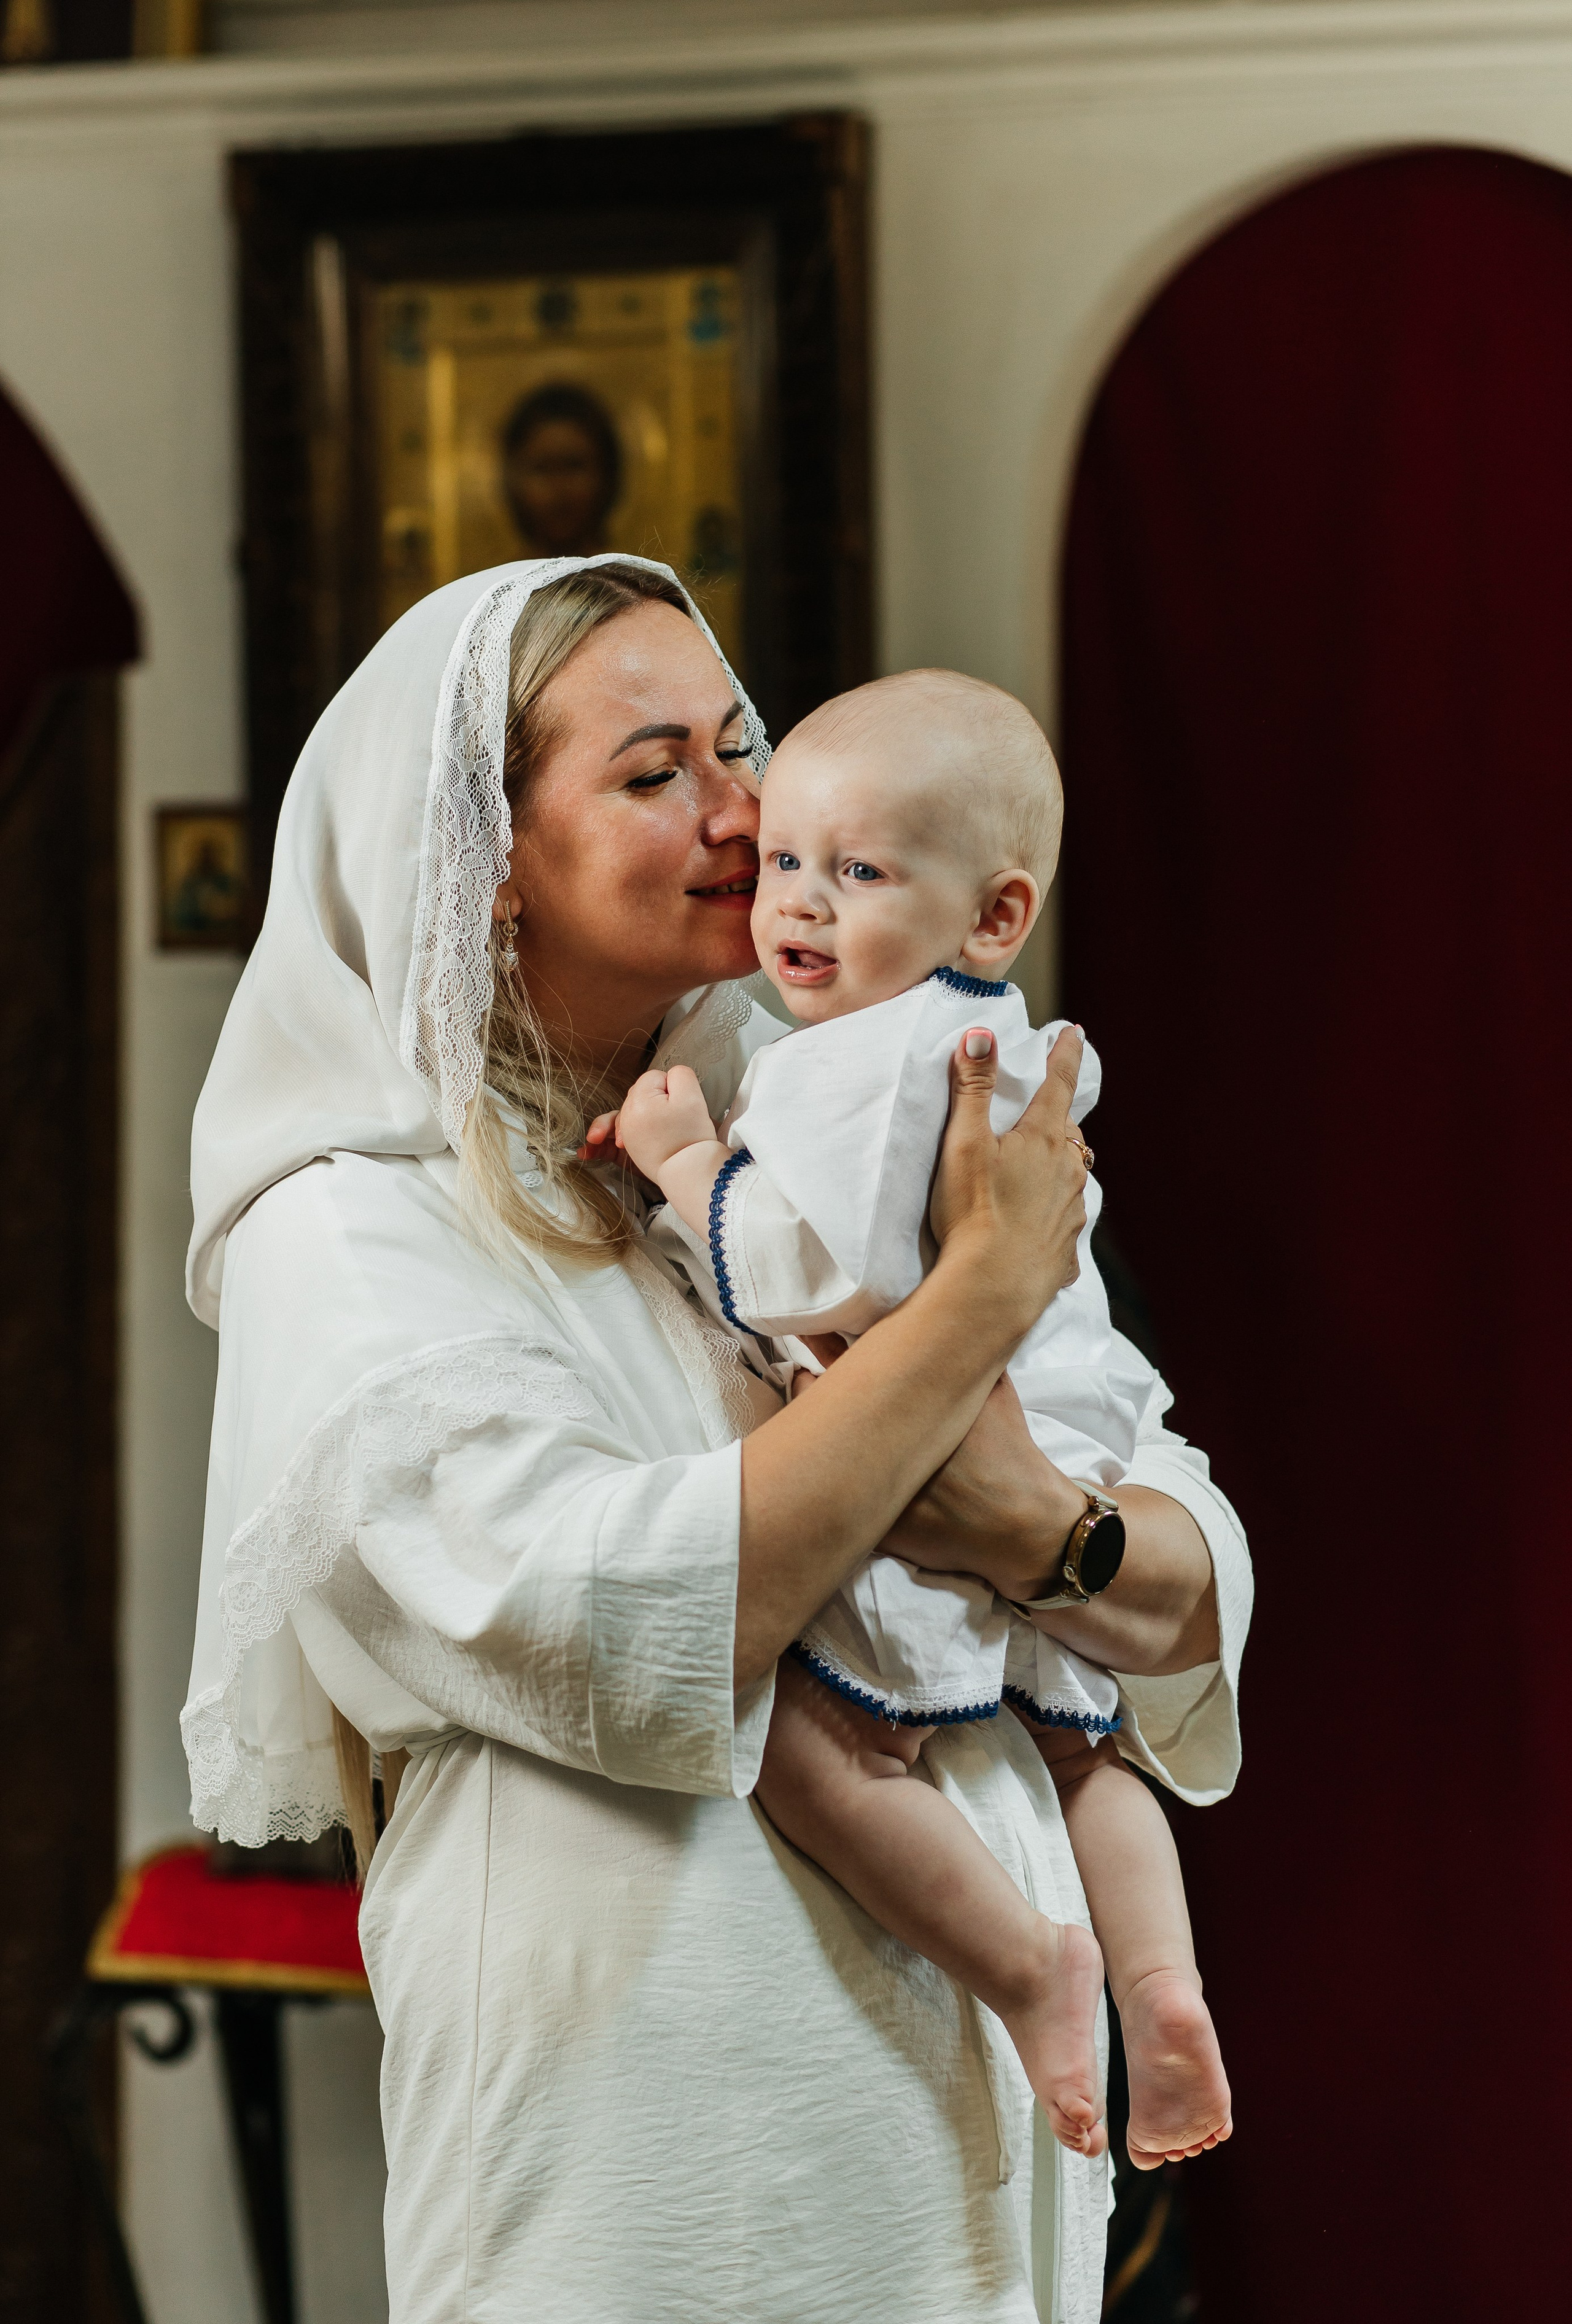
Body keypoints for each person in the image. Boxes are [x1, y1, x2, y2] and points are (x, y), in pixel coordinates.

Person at [181, 554, 1250, 2324]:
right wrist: (978, 1305)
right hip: (660, 2148)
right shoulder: (353, 1227)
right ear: (486, 860)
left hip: (981, 2142)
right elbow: (635, 1618)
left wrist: (1049, 1530)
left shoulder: (843, 1098)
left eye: (742, 743)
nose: (750, 811)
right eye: (655, 769)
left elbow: (1191, 1554)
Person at [600, 668, 1232, 2172]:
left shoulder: (854, 1063)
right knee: (1095, 1755)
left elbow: (799, 1270)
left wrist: (684, 1169)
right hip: (1077, 1443)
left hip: (942, 1457)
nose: (794, 904)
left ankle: (1027, 1962)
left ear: (992, 913)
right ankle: (1161, 1981)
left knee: (811, 1743)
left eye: (857, 871)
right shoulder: (987, 1032)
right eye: (788, 864)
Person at [499, 380, 621, 556]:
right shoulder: (493, 584)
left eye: (574, 466)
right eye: (541, 469)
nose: (559, 487)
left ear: (607, 474)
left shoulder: (635, 584)